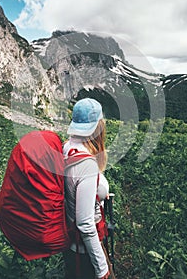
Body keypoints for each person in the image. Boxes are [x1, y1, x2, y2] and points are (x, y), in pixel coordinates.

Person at [63, 98, 110, 279]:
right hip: (84, 252)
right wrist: (101, 267)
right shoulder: (86, 165)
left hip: (71, 243)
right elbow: (85, 224)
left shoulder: (67, 148)